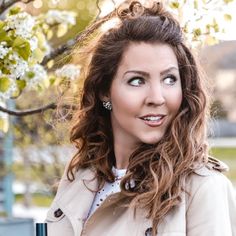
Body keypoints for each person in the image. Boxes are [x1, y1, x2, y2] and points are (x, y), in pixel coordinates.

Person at [45, 1, 236, 235]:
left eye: (169, 79)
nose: (157, 98)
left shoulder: (203, 189)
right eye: (137, 80)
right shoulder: (80, 175)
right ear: (105, 91)